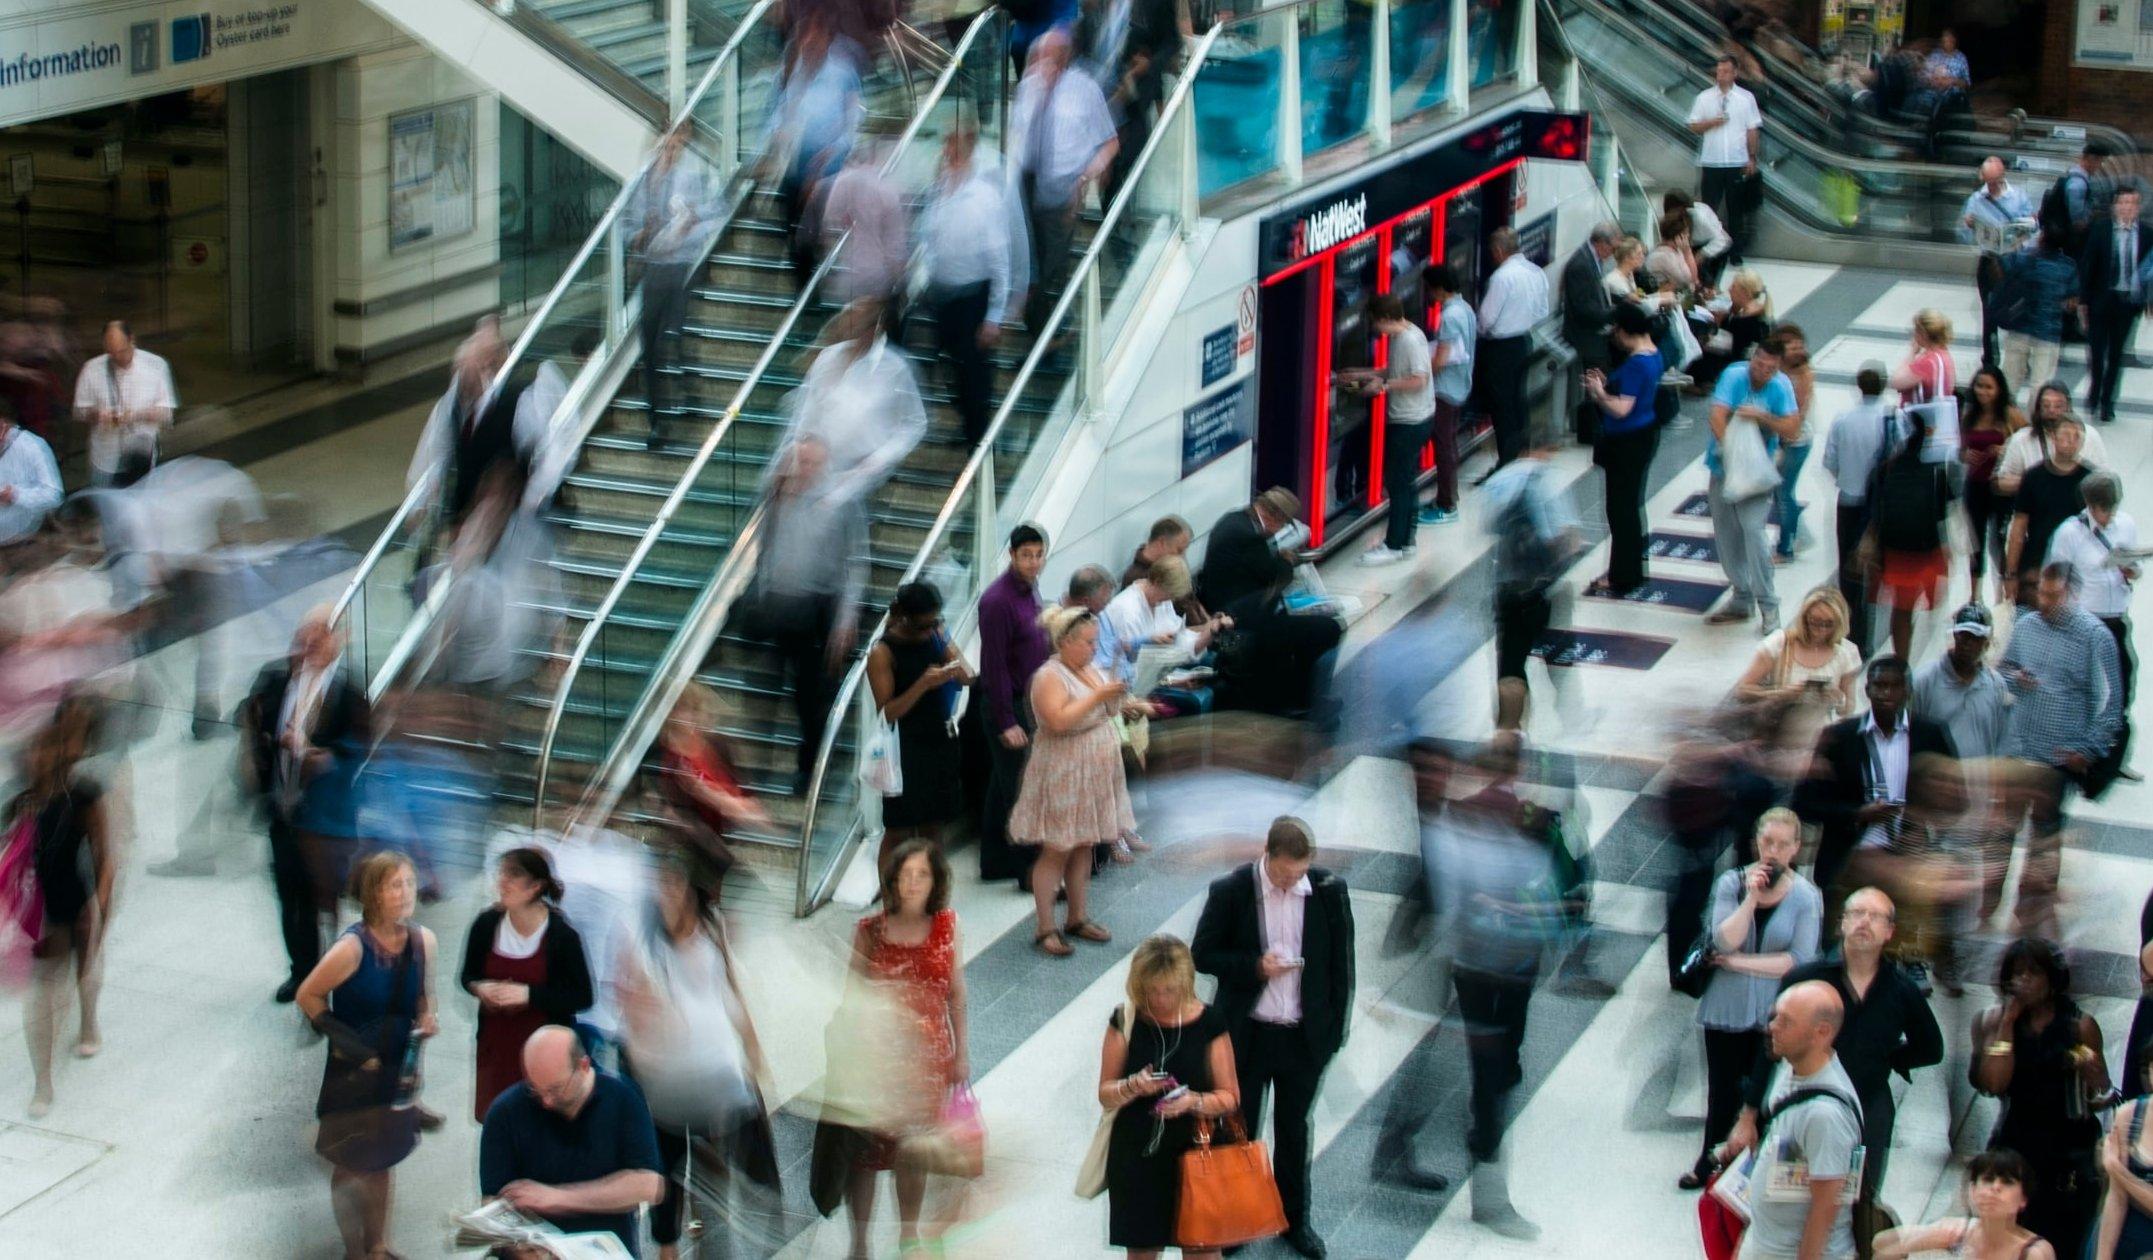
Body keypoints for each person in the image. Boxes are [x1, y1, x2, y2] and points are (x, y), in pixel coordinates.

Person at [1721, 888, 1944, 1219]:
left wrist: (1891, 1057)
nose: (1865, 922)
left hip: (1867, 1106)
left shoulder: (1901, 989)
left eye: (1875, 916)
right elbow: (1770, 1048)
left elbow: (1931, 1048)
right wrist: (1749, 1114)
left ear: (1889, 932)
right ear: (1841, 924)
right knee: (1791, 1201)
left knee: (1857, 1204)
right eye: (1857, 913)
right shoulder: (1806, 978)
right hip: (1805, 1102)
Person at [1190, 817, 1352, 1259]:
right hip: (1248, 1034)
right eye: (1284, 873)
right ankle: (1238, 1220)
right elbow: (1202, 954)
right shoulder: (1232, 891)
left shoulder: (1328, 892)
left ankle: (1293, 1219)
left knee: (1294, 1131)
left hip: (1302, 1038)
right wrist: (1255, 967)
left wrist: (1332, 1036)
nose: (1291, 881)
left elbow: (1342, 969)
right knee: (1239, 1129)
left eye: (1299, 873)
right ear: (1268, 855)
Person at [615, 859, 766, 1260]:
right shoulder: (640, 941)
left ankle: (707, 1227)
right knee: (664, 1166)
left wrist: (753, 1055)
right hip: (660, 1079)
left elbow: (732, 993)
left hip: (713, 1072)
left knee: (711, 1161)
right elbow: (630, 1007)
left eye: (674, 884)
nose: (667, 893)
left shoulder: (711, 934)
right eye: (661, 886)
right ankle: (668, 1245)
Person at [296, 852, 438, 1260]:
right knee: (352, 1163)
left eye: (410, 883)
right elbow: (308, 995)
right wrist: (350, 1044)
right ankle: (352, 1251)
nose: (405, 892)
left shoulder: (422, 942)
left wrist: (428, 1018)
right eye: (395, 885)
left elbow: (425, 998)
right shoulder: (352, 948)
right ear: (374, 893)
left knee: (384, 1160)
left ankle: (378, 1245)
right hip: (353, 1076)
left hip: (396, 1071)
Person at [1683, 808, 1822, 1190]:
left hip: (1774, 1013)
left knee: (1759, 1094)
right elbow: (1724, 937)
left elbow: (1798, 961)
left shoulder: (1807, 898)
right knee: (1721, 1089)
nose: (1773, 851)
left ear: (1796, 848)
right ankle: (1710, 1158)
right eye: (1767, 842)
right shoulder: (1732, 883)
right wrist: (1751, 899)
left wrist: (1737, 962)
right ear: (1755, 842)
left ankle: (1751, 1169)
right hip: (1726, 1006)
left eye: (1782, 844)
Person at [846, 840, 969, 1257]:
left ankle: (908, 1233)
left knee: (913, 1151)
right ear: (892, 880)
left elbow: (956, 994)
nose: (912, 883)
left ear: (935, 881)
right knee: (863, 1155)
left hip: (927, 1060)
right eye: (905, 874)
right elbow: (851, 999)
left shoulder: (947, 926)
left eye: (922, 874)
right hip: (875, 1059)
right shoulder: (869, 932)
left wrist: (962, 1052)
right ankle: (860, 1243)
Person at [241, 611, 371, 1003]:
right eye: (306, 631)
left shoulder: (348, 694)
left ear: (339, 639)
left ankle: (329, 975)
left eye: (322, 632)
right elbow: (251, 721)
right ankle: (301, 971)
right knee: (288, 894)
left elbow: (360, 752)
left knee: (324, 899)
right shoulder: (276, 679)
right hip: (283, 809)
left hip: (325, 819)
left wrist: (324, 758)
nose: (312, 640)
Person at [1009, 606, 1146, 956]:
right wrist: (1100, 697)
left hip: (1095, 768)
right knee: (1057, 848)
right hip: (1064, 769)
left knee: (1084, 843)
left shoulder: (1091, 670)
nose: (1092, 649)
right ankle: (1044, 926)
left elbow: (1105, 711)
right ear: (1065, 642)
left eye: (1094, 642)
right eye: (1087, 642)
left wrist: (1120, 701)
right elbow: (1057, 721)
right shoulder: (1049, 676)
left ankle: (1077, 916)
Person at [1997, 563, 2124, 935]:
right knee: (2002, 829)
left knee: (2045, 835)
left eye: (2053, 596)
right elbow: (2002, 667)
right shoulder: (2025, 626)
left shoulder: (2095, 637)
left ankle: (2030, 908)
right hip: (2019, 749)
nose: (2045, 602)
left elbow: (2111, 702)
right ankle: (1989, 897)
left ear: (2072, 594)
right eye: (2041, 594)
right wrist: (2014, 677)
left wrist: (2089, 747)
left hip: (2056, 759)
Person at [1097, 934, 1240, 1260]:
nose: (1160, 999)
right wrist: (1133, 1085)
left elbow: (1230, 1096)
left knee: (1203, 1250)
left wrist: (1194, 1101)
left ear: (1185, 984)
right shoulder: (1125, 1021)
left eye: (1169, 990)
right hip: (1138, 1154)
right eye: (1152, 991)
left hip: (1198, 1151)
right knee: (1142, 1250)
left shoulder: (1210, 1022)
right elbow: (1105, 1093)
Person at [738, 437, 866, 796]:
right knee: (764, 688)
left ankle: (808, 772)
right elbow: (762, 544)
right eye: (799, 462)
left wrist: (846, 618)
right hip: (776, 605)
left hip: (817, 607)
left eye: (810, 463)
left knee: (810, 698)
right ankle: (757, 773)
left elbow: (855, 562)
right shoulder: (777, 494)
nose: (803, 469)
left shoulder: (840, 501)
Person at [1972, 938, 2111, 1260]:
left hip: (2068, 1151)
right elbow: (1993, 1083)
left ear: (2050, 980)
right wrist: (2007, 1023)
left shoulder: (2079, 1026)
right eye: (2016, 975)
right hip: (2017, 1140)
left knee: (2063, 1241)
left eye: (2032, 974)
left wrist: (2092, 1074)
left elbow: (2099, 1089)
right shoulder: (1993, 1022)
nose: (2023, 982)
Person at [479, 1025, 666, 1252]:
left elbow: (648, 1185)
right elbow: (492, 1201)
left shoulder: (622, 1097)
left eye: (556, 1089)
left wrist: (557, 1198)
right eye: (535, 1089)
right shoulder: (505, 1112)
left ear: (583, 1066)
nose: (546, 1101)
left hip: (604, 1250)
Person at [1791, 654, 1956, 910]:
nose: (1885, 693)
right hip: (1850, 861)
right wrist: (1857, 813)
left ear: (1908, 691)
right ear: (1867, 689)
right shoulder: (1839, 737)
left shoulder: (1930, 735)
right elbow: (1805, 802)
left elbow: (1955, 796)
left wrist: (1923, 826)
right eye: (1879, 686)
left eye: (1894, 686)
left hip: (1910, 862)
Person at [11, 706, 113, 1118]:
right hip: (39, 909)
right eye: (32, 751)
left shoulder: (83, 794)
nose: (37, 758)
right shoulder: (21, 802)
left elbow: (105, 857)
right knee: (42, 993)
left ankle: (89, 1020)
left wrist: (102, 906)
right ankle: (43, 1081)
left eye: (44, 749)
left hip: (76, 899)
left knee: (84, 972)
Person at [459, 848, 593, 1123]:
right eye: (502, 874)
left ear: (535, 886)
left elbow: (582, 996)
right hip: (496, 1047)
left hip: (544, 1055)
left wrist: (529, 995)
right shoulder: (486, 924)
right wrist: (479, 988)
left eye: (514, 875)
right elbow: (467, 976)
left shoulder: (561, 936)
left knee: (540, 1122)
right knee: (499, 1122)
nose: (503, 882)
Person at [1736, 981, 1865, 1260]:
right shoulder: (1789, 1067)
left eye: (1786, 1022)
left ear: (1821, 1033)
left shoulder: (1826, 1115)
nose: (1772, 1027)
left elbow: (1825, 1208)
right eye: (1775, 1016)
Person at [917, 120, 1023, 448]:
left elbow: (999, 259)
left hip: (973, 295)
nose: (946, 151)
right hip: (942, 292)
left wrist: (994, 316)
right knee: (952, 365)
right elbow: (928, 234)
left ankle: (979, 437)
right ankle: (966, 426)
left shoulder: (984, 196)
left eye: (953, 144)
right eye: (946, 143)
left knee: (974, 371)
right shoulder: (941, 188)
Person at [1911, 604, 2016, 926]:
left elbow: (2003, 744)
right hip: (1937, 802)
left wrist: (1998, 796)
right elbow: (1910, 735)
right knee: (1939, 875)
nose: (1968, 644)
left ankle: (1962, 932)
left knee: (1966, 877)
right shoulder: (1925, 681)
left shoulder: (1996, 686)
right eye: (1963, 636)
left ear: (1987, 643)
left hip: (1979, 801)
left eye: (1976, 638)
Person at [1011, 31, 1118, 335]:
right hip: (1027, 185)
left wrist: (1086, 178)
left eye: (1050, 55)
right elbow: (1017, 136)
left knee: (1050, 269)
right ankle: (1041, 333)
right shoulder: (1028, 87)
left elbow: (1109, 143)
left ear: (1064, 56)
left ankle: (1047, 336)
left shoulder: (1085, 89)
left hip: (1064, 190)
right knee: (1030, 268)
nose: (1042, 63)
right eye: (1039, 56)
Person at [867, 581, 974, 866]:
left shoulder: (934, 639)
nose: (930, 630)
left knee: (933, 826)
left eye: (935, 622)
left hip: (937, 740)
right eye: (924, 625)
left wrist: (946, 642)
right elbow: (887, 712)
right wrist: (923, 684)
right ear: (905, 618)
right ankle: (892, 906)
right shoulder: (883, 652)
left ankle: (934, 901)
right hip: (904, 748)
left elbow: (967, 676)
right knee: (898, 830)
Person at [782, 299, 927, 507]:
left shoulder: (896, 368)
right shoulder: (827, 358)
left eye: (858, 326)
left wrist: (881, 459)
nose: (852, 333)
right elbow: (806, 411)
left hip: (865, 479)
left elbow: (915, 423)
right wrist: (797, 453)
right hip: (818, 472)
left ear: (875, 329)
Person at [1482, 427, 1577, 732]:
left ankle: (1511, 725)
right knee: (1556, 650)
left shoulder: (1498, 481)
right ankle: (1568, 712)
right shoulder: (1544, 480)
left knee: (1510, 659)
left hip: (1506, 586)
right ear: (1538, 450)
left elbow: (1488, 528)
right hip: (1541, 587)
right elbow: (1562, 536)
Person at [1705, 339, 1803, 632]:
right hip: (1724, 468)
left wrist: (1762, 416)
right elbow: (1717, 416)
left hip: (1758, 474)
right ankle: (1741, 595)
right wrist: (1731, 452)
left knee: (1753, 532)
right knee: (1726, 534)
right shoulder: (1734, 376)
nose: (1762, 372)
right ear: (1753, 358)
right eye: (1758, 364)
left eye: (1770, 368)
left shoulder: (1780, 386)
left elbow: (1792, 428)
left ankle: (1768, 603)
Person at [2047, 471, 2137, 785]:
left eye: (2112, 507)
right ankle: (2071, 756)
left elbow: (2131, 567)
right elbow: (2055, 577)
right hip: (2084, 624)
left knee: (2121, 689)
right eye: (2102, 508)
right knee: (2083, 691)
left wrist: (2131, 570)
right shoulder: (2069, 533)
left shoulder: (2125, 524)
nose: (2108, 514)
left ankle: (2111, 760)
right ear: (2089, 504)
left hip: (2115, 620)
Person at [629, 124, 715, 449]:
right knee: (649, 344)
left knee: (676, 336)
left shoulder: (689, 180)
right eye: (663, 149)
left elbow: (711, 211)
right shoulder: (641, 185)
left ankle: (688, 393)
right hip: (653, 271)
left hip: (680, 268)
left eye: (673, 149)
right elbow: (627, 226)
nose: (667, 155)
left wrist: (687, 226)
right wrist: (639, 236)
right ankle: (657, 421)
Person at [977, 524, 1052, 885]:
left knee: (1001, 783)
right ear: (1012, 555)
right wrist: (1007, 720)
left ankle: (993, 861)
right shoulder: (997, 601)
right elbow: (994, 665)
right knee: (1021, 788)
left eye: (1039, 555)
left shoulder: (1029, 590)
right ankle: (1029, 871)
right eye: (1027, 556)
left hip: (1028, 699)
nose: (1034, 562)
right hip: (1008, 703)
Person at [655, 682, 770, 900]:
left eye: (689, 709)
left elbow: (744, 799)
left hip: (714, 849)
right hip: (691, 853)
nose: (684, 717)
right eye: (676, 709)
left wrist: (709, 794)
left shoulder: (717, 745)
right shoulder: (666, 756)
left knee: (715, 907)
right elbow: (666, 809)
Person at [1582, 302, 1664, 596]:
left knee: (1620, 509)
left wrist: (1599, 394)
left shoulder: (1637, 364)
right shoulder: (1654, 354)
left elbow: (1621, 409)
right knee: (1630, 506)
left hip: (1627, 442)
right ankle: (1629, 569)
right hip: (1643, 434)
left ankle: (1623, 575)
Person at [1863, 405, 1956, 662]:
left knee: (1903, 611)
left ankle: (1903, 662)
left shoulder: (1886, 469)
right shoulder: (1936, 470)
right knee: (1928, 610)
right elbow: (1943, 513)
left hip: (1897, 553)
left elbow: (1875, 514)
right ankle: (1917, 661)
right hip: (1925, 551)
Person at [1821, 363, 1896, 652]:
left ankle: (1854, 637)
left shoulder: (1843, 420)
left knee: (1849, 572)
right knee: (1876, 568)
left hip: (1850, 501)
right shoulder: (1892, 418)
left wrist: (1847, 477)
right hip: (1882, 506)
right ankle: (1872, 630)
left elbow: (1830, 461)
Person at [1360, 293, 1436, 566]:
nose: (1374, 329)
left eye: (1375, 323)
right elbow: (1395, 370)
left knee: (1397, 483)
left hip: (1410, 421)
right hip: (1416, 418)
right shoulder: (1407, 335)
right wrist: (1362, 374)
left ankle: (1393, 545)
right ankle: (1406, 541)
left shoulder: (1409, 340)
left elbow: (1418, 378)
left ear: (1385, 319)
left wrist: (1384, 386)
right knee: (1406, 482)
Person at [1873, 1150, 2054, 1260]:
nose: (1995, 1188)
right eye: (1988, 1180)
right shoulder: (1958, 1231)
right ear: (1973, 1191)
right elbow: (1880, 1244)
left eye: (2007, 1182)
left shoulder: (2033, 1252)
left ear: (2023, 1199)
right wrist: (1925, 1239)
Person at [1475, 226, 1549, 476]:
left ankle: (1507, 462)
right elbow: (1542, 311)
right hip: (1524, 343)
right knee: (1519, 401)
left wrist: (1482, 334)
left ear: (1498, 250)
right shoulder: (1535, 272)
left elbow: (1486, 318)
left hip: (1500, 349)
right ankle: (1520, 453)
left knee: (1502, 406)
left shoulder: (1501, 278)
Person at [71, 319, 174, 486]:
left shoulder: (156, 365)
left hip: (141, 456)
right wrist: (97, 415)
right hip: (105, 459)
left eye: (122, 351)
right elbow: (79, 411)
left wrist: (137, 415)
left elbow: (167, 413)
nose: (118, 357)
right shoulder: (91, 369)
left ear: (132, 340)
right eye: (112, 353)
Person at [1734, 586, 1862, 719]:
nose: (1821, 630)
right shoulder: (1780, 643)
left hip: (1819, 732)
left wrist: (1837, 698)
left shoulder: (1846, 653)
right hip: (1777, 727)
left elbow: (1848, 709)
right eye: (1815, 622)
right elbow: (1742, 690)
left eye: (1828, 624)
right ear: (1805, 618)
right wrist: (1780, 694)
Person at [2004, 414, 2091, 607]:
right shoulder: (2034, 476)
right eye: (2065, 434)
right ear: (2053, 437)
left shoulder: (2090, 479)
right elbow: (2018, 528)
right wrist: (2010, 573)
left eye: (2077, 436)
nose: (2070, 441)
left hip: (2075, 570)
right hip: (2035, 563)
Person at [2078, 185, 2146, 426]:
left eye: (2132, 203)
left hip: (2127, 303)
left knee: (2116, 354)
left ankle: (2108, 401)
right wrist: (2083, 300)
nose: (2127, 207)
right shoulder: (2101, 230)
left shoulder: (2147, 234)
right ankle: (2095, 388)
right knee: (2096, 352)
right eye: (2123, 203)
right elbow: (2088, 265)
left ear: (2138, 207)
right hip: (2100, 300)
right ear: (2116, 206)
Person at [1960, 157, 2037, 368]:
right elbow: (1964, 235)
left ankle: (2022, 357)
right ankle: (1990, 359)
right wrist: (1968, 226)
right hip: (1989, 260)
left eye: (1995, 181)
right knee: (1989, 311)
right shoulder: (1976, 199)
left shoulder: (2018, 196)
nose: (1992, 186)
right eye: (1988, 181)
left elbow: (2033, 227)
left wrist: (2026, 227)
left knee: (2018, 309)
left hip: (2014, 259)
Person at [1688, 55, 1762, 260]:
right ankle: (1708, 249)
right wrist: (1712, 122)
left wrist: (1751, 157)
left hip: (1736, 161)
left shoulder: (1746, 98)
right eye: (1719, 71)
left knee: (1735, 210)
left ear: (1735, 73)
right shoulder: (1704, 97)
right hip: (1711, 161)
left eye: (1726, 71)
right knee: (1708, 208)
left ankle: (1735, 252)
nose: (1721, 75)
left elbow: (1752, 129)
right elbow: (1693, 125)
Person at [1961, 366, 2025, 599]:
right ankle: (1974, 597)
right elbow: (1958, 447)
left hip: (2001, 489)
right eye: (1979, 386)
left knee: (2000, 542)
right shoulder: (1970, 416)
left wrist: (2005, 449)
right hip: (1975, 486)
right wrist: (1965, 455)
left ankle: (2002, 594)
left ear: (1999, 389)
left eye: (1989, 387)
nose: (1983, 392)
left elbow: (2027, 439)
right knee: (1974, 543)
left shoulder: (2010, 415)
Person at [1994, 229, 2077, 407]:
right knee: (2040, 384)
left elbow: (2001, 265)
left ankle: (2007, 417)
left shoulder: (2023, 258)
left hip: (2019, 326)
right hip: (2049, 330)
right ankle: (2036, 422)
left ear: (2041, 239)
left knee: (2010, 379)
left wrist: (2016, 246)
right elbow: (2071, 302)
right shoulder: (2068, 266)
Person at [1421, 264, 1475, 525]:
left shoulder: (1450, 317)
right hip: (1459, 387)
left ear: (1439, 289)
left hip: (1445, 390)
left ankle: (1446, 504)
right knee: (1447, 444)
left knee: (1443, 447)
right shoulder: (1465, 309)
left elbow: (1440, 359)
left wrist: (1418, 372)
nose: (1427, 294)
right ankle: (1447, 498)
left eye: (1429, 289)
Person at [1195, 487, 1298, 613]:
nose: (1280, 529)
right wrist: (1286, 561)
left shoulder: (1234, 518)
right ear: (1275, 517)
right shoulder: (1251, 537)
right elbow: (1274, 575)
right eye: (1283, 524)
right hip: (1230, 608)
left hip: (1215, 597)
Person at [1772, 322, 1815, 564]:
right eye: (1789, 345)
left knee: (1784, 492)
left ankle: (1786, 547)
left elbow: (1798, 412)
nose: (1794, 349)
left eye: (1797, 345)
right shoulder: (1778, 369)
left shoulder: (1803, 374)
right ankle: (1800, 534)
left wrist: (1782, 436)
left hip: (1795, 441)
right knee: (1781, 493)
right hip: (1783, 437)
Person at [2098, 1079, 2153, 1259]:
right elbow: (2116, 1196)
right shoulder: (2129, 1114)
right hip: (2131, 1240)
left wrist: (2116, 1169)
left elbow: (2116, 1172)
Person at [1560, 221, 1620, 385]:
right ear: (1601, 242)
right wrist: (1616, 312)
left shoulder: (1593, 260)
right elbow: (1585, 310)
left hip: (1595, 335)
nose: (1613, 254)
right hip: (1586, 340)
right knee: (1596, 390)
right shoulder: (1581, 265)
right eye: (1613, 249)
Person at [0, 407, 61, 549]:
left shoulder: (32, 446)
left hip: (21, 520)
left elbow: (54, 495)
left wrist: (15, 495)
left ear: (2, 425)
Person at [1667, 188, 1734, 288]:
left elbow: (1721, 239)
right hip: (1696, 245)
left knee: (1706, 284)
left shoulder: (1700, 218)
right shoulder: (1679, 215)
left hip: (1715, 247)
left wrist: (1701, 254)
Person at [1889, 308, 1958, 406]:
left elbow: (1896, 382)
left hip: (1923, 416)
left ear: (1923, 334)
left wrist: (1912, 352)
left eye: (1916, 331)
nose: (1914, 335)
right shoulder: (1944, 355)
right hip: (1939, 413)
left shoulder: (1928, 362)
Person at [1119, 515, 1191, 588]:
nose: (1182, 557)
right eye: (1179, 550)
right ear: (1162, 543)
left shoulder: (1170, 567)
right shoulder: (1135, 579)